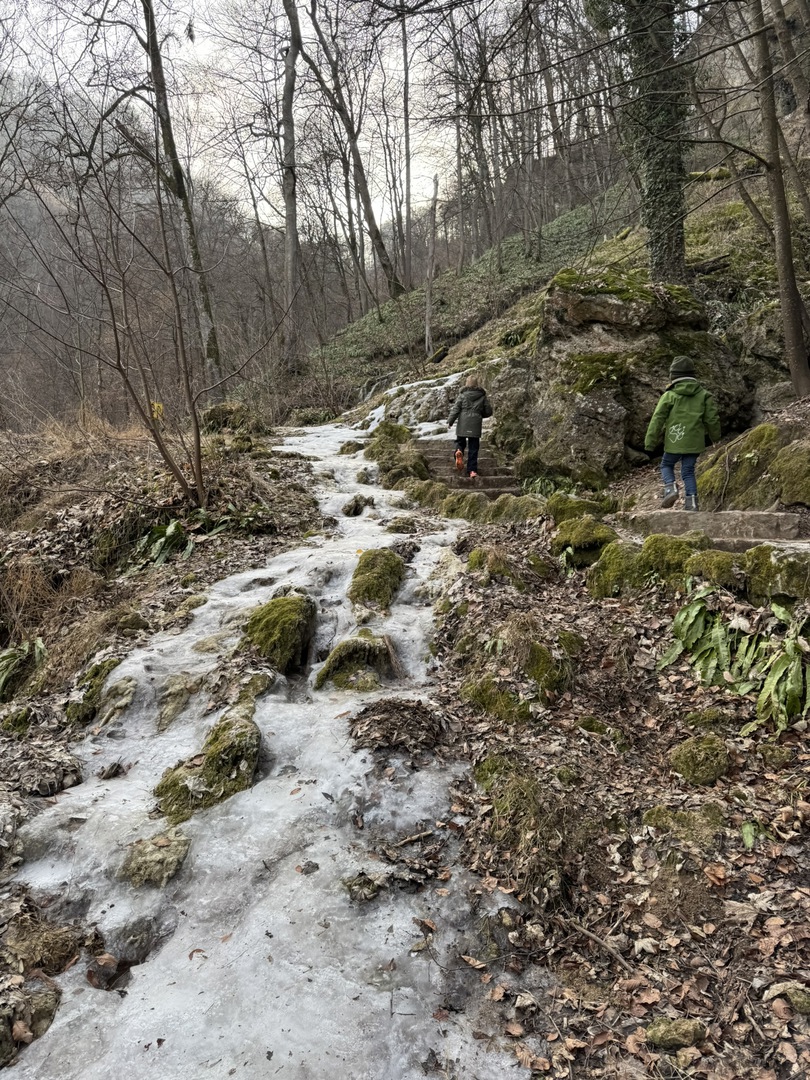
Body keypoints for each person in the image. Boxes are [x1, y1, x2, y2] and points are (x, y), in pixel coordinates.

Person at [644, 355, 721, 511]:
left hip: (674, 440)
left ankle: (670, 488)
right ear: (692, 375)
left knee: (666, 464)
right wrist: (716, 438)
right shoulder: (704, 395)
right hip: (694, 442)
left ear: (674, 376)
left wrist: (650, 441)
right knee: (688, 471)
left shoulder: (669, 395)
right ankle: (692, 503)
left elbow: (657, 419)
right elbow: (712, 419)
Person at [447, 374, 493, 478]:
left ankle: (458, 451)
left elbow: (456, 409)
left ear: (466, 384)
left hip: (463, 422)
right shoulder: (482, 396)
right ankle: (472, 470)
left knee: (460, 442)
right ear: (477, 385)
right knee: (473, 448)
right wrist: (480, 414)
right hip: (475, 424)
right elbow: (489, 411)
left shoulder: (462, 395)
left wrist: (450, 421)